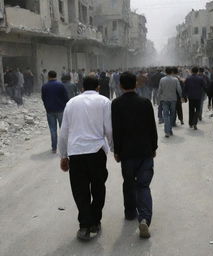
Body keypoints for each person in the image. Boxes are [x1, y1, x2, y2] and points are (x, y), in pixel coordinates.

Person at [58, 76, 113, 241]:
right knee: (98, 187)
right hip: (97, 152)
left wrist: (63, 155)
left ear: (81, 88)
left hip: (76, 153)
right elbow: (109, 129)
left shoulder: (71, 103)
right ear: (98, 87)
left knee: (80, 191)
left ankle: (84, 225)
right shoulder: (104, 101)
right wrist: (115, 149)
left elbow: (64, 131)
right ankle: (95, 221)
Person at [112, 72, 158, 239]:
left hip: (127, 153)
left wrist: (116, 151)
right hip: (145, 151)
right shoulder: (145, 103)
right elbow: (152, 128)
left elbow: (116, 130)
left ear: (121, 86)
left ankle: (130, 212)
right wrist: (154, 147)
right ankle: (144, 218)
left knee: (129, 182)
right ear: (136, 84)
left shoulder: (116, 104)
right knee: (143, 186)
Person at [41, 71, 69, 153]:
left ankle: (54, 148)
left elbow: (43, 98)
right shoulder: (61, 85)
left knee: (53, 130)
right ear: (56, 76)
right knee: (63, 129)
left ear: (48, 76)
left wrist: (47, 107)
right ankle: (65, 147)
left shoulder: (44, 86)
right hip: (60, 110)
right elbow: (66, 98)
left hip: (50, 111)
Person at [158, 67, 182, 137]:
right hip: (173, 99)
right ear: (171, 72)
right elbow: (179, 89)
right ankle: (169, 129)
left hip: (164, 99)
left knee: (165, 115)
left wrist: (158, 98)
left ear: (165, 72)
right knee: (172, 114)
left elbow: (160, 90)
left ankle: (167, 131)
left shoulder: (162, 80)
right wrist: (181, 96)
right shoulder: (175, 79)